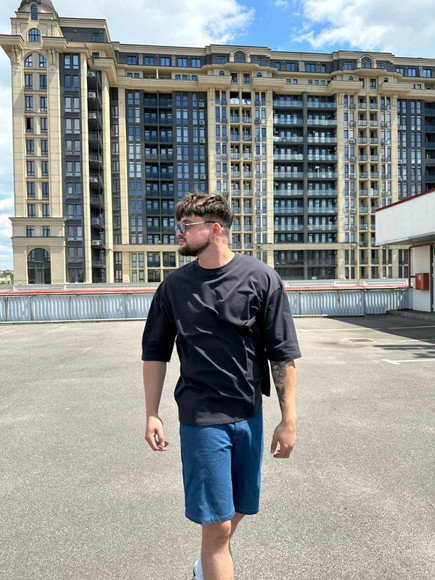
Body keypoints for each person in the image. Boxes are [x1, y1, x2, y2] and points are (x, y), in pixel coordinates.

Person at [142, 193, 301, 580]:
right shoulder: (173, 287)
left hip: (248, 413)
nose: (178, 233)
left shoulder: (262, 278)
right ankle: (211, 564)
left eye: (186, 225)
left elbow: (282, 354)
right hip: (201, 417)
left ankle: (204, 567)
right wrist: (152, 413)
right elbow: (155, 353)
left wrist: (289, 419)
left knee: (239, 509)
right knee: (216, 527)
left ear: (215, 229)